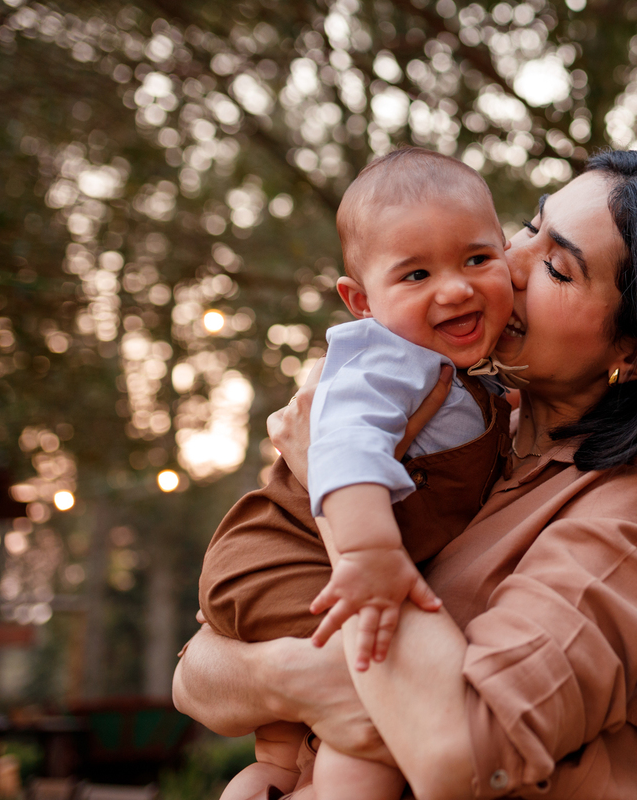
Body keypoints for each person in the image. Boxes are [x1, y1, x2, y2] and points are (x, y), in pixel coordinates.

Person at [176, 150, 637, 800]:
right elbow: (197, 673)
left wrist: (330, 483)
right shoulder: (465, 430)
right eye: (529, 229)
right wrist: (293, 678)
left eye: (558, 268)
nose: (510, 265)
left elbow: (460, 753)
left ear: (633, 352)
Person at [202, 147, 519, 800]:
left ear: (507, 255)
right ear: (361, 301)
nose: (455, 287)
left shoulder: (465, 377)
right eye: (416, 274)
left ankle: (271, 782)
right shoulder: (386, 364)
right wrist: (371, 550)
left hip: (307, 558)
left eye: (477, 259)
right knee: (368, 719)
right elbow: (340, 446)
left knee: (284, 756)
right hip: (293, 553)